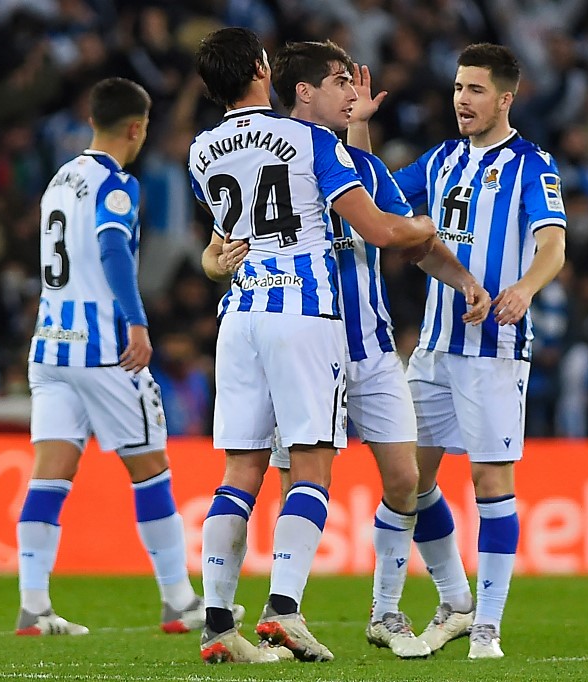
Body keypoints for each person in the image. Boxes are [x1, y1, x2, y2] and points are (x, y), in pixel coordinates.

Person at [191, 27, 437, 664]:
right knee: (312, 465)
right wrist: (427, 225)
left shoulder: (201, 152)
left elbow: (224, 247)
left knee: (239, 473)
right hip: (304, 312)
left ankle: (218, 626)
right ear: (259, 69)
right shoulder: (309, 140)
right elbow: (379, 230)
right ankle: (283, 611)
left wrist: (215, 265)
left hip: (239, 314)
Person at [264, 40, 491, 659]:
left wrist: (466, 280)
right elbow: (399, 231)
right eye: (338, 81)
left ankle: (389, 613)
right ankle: (286, 614)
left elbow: (415, 247)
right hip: (306, 343)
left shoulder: (359, 166)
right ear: (306, 92)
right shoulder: (275, 164)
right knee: (299, 483)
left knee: (405, 478)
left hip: (370, 348)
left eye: (350, 82)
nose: (350, 90)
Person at [351, 43, 567, 659]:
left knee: (489, 479)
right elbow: (376, 197)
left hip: (495, 347)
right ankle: (447, 601)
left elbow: (552, 241)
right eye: (456, 88)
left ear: (505, 98)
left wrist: (525, 287)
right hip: (435, 348)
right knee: (410, 481)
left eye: (475, 90)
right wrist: (362, 123)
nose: (461, 100)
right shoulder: (443, 158)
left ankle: (487, 630)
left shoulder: (532, 164)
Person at [16, 77, 234, 638]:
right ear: (136, 127)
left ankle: (34, 607)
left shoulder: (59, 180)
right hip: (102, 349)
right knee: (151, 469)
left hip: (49, 347)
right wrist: (137, 320)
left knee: (50, 475)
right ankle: (179, 601)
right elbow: (113, 247)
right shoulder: (117, 184)